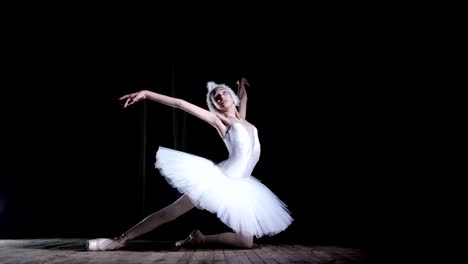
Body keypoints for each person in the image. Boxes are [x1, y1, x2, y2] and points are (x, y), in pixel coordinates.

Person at [87, 77, 293, 251]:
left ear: (232, 97)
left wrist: (241, 83)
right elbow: (181, 104)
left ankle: (199, 239)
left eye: (222, 93)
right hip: (219, 178)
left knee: (246, 242)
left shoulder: (245, 120)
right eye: (215, 97)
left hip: (243, 185)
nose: (219, 96)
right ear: (215, 105)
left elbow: (244, 97)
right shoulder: (220, 122)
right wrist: (147, 93)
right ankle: (119, 240)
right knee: (171, 211)